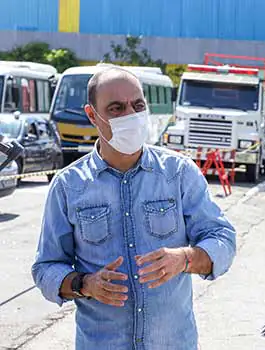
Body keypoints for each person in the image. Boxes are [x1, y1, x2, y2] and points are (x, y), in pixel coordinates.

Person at [32, 67, 237, 349]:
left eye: (138, 105)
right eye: (116, 108)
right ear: (93, 115)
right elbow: (45, 268)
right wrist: (86, 284)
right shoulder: (69, 186)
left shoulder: (178, 173)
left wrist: (185, 259)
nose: (131, 115)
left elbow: (222, 239)